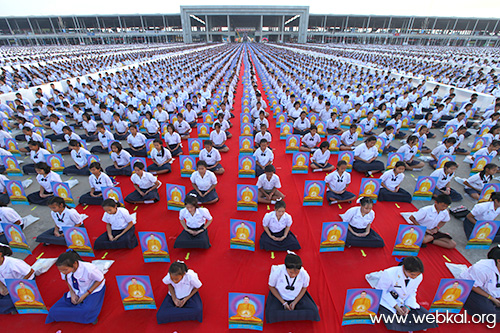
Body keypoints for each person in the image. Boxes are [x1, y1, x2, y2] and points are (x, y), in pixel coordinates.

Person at [375, 257, 438, 332]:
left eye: (417, 275)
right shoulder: (389, 273)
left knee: (428, 317)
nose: (414, 277)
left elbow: (412, 291)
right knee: (391, 320)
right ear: (404, 268)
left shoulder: (418, 276)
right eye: (412, 274)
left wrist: (408, 306)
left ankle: (409, 324)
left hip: (404, 300)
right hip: (389, 300)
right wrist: (396, 306)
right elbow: (381, 291)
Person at [46, 250, 105, 324]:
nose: (63, 272)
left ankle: (82, 314)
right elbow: (67, 280)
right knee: (53, 311)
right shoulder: (64, 271)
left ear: (75, 264)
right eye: (61, 271)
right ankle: (79, 313)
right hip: (77, 290)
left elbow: (100, 279)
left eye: (65, 270)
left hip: (92, 290)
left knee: (87, 310)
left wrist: (86, 294)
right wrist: (72, 293)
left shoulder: (89, 269)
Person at [265, 252, 320, 323]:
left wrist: (295, 302)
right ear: (286, 268)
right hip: (280, 295)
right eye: (291, 272)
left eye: (297, 273)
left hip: (297, 296)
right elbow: (271, 287)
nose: (294, 275)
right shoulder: (277, 272)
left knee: (314, 312)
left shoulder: (304, 274)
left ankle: (289, 313)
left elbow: (304, 288)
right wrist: (284, 303)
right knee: (270, 314)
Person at [460, 246, 500, 318]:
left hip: (493, 292)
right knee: (489, 312)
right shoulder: (482, 268)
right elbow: (473, 285)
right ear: (498, 261)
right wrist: (492, 298)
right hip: (474, 289)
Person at [0, 243, 35, 314]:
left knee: (11, 301)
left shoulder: (13, 263)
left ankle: (10, 306)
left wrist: (16, 286)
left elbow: (30, 271)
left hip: (22, 284)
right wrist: (2, 287)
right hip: (7, 286)